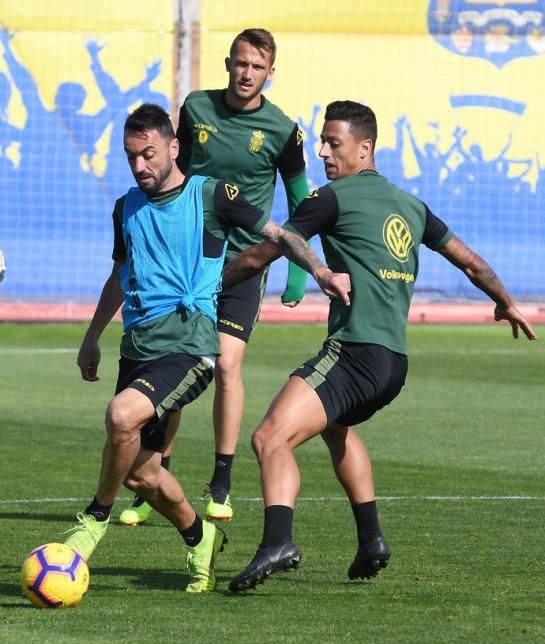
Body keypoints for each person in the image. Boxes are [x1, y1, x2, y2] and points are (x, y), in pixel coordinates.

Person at [222, 100, 538, 593]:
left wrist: (213, 285)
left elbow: (268, 250)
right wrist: (507, 302)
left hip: (354, 352)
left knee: (269, 438)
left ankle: (278, 542)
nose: (323, 151)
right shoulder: (411, 205)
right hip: (394, 362)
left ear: (364, 148)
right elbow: (472, 263)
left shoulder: (330, 198)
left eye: (333, 143)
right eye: (322, 142)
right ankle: (371, 540)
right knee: (336, 428)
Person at [59, 102, 348, 593]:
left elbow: (280, 233)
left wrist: (318, 271)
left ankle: (95, 518)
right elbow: (120, 273)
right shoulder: (125, 207)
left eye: (149, 154)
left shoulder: (210, 196)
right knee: (142, 475)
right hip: (139, 347)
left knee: (120, 416)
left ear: (174, 148)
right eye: (131, 157)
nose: (140, 166)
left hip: (191, 347)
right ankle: (201, 537)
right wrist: (92, 336)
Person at [119, 28, 310, 527]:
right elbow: (174, 173)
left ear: (271, 73)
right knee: (172, 362)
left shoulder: (282, 129)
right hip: (190, 265)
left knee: (225, 365)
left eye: (257, 67)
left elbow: (300, 199)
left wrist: (294, 271)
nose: (247, 73)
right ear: (229, 63)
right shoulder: (197, 108)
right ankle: (156, 470)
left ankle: (221, 482)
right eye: (241, 63)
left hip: (246, 265)